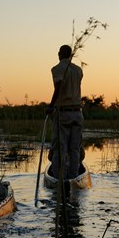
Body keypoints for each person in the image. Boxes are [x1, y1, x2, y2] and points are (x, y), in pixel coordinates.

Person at [47, 44, 84, 179]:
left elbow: (59, 87)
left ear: (60, 54)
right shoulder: (78, 70)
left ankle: (59, 179)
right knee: (74, 149)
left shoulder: (57, 69)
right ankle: (74, 177)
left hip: (63, 113)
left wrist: (51, 106)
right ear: (70, 55)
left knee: (60, 148)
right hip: (78, 113)